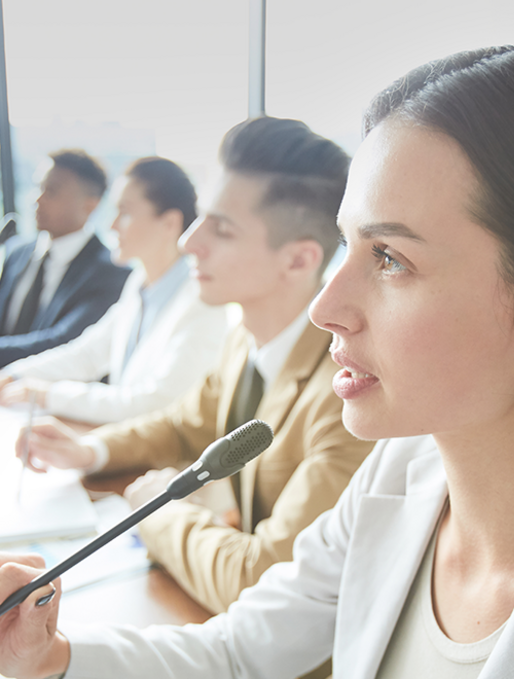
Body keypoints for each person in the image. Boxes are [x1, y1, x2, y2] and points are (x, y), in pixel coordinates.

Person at [2, 43, 514, 679]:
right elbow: (235, 656)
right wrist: (44, 655)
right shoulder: (400, 476)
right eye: (347, 243)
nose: (326, 305)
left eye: (389, 257)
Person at [9, 116, 373, 614]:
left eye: (219, 229)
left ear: (297, 260)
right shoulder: (244, 339)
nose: (189, 242)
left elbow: (259, 577)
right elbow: (184, 424)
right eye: (200, 217)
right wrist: (89, 451)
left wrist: (156, 511)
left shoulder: (345, 395)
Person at [0, 157, 229, 424]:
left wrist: (48, 395)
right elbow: (87, 354)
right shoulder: (139, 284)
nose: (111, 225)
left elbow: (154, 403)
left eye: (125, 212)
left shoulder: (202, 303)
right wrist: (13, 375)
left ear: (169, 223)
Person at [0, 149, 130, 368]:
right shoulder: (16, 251)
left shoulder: (111, 272)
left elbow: (63, 342)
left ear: (91, 204)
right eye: (38, 187)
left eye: (51, 191)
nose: (37, 199)